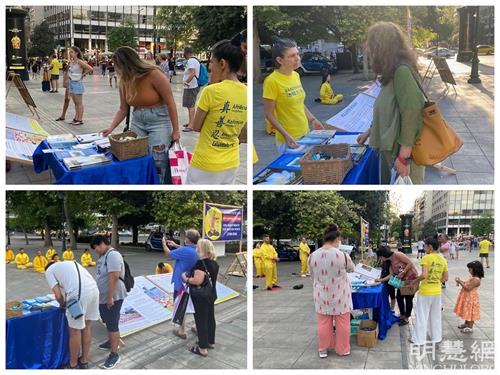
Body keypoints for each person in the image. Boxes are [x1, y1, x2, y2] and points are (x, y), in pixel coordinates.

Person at [357, 22, 426, 184]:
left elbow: (412, 114)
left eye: (372, 45)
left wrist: (403, 158)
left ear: (382, 48)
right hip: (392, 151)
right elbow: (390, 110)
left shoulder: (402, 71)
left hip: (403, 156)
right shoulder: (392, 72)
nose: (369, 50)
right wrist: (369, 132)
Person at [101, 46, 180, 182]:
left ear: (128, 64)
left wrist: (176, 131)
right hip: (138, 121)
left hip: (159, 121)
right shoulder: (124, 81)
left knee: (158, 160)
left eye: (118, 66)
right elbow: (123, 108)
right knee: (136, 156)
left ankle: (158, 185)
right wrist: (111, 127)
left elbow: (170, 103)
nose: (117, 70)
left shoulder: (154, 74)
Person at [185, 40, 247, 185]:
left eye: (212, 62)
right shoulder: (246, 91)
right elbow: (242, 132)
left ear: (222, 64)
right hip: (231, 163)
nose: (209, 66)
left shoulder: (211, 91)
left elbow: (196, 126)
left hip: (205, 164)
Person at [263, 37, 324, 154]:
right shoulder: (271, 81)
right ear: (280, 60)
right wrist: (285, 134)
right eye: (291, 56)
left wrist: (312, 119)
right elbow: (269, 114)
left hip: (305, 133)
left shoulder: (295, 75)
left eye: (297, 54)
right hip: (289, 139)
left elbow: (299, 103)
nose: (297, 58)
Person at [309, 224, 354, 358]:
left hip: (321, 294)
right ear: (337, 239)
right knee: (342, 323)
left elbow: (311, 274)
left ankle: (323, 349)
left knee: (323, 322)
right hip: (340, 294)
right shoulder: (343, 255)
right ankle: (343, 349)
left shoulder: (312, 256)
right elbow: (351, 269)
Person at [45, 260, 99, 369]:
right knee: (87, 327)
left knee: (75, 331)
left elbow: (58, 295)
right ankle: (84, 361)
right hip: (94, 291)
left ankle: (73, 364)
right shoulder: (68, 264)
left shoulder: (49, 271)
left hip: (79, 295)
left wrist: (62, 304)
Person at [91, 235, 128, 369]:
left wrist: (110, 297)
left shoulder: (113, 255)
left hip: (113, 296)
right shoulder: (104, 256)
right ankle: (111, 341)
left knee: (112, 324)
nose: (96, 251)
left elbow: (114, 277)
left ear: (102, 244)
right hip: (104, 296)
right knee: (107, 320)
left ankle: (114, 354)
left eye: (96, 248)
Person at [182, 239, 219, 357]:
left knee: (201, 320)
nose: (196, 249)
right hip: (211, 294)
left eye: (198, 247)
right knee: (210, 318)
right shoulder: (214, 263)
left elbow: (197, 280)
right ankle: (210, 341)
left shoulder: (200, 264)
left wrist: (186, 278)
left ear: (201, 249)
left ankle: (202, 348)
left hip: (201, 296)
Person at [161, 229, 200, 339]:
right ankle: (197, 326)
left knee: (181, 306)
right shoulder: (198, 249)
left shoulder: (185, 251)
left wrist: (164, 244)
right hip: (195, 281)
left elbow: (168, 255)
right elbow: (187, 250)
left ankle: (182, 330)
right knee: (195, 306)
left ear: (187, 239)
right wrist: (175, 245)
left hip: (182, 284)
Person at [410, 236, 449, 345]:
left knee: (422, 315)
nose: (424, 249)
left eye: (425, 247)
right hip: (437, 292)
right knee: (435, 316)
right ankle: (436, 338)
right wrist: (436, 280)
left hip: (426, 292)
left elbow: (424, 275)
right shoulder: (443, 259)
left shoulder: (426, 258)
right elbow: (445, 278)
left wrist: (415, 281)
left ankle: (418, 340)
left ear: (430, 247)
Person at [375, 246, 418, 325]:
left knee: (408, 299)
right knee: (399, 297)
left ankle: (406, 317)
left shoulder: (397, 255)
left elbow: (410, 263)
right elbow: (391, 275)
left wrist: (403, 272)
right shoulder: (389, 262)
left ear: (383, 255)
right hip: (402, 282)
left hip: (411, 280)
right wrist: (380, 280)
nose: (380, 259)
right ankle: (402, 315)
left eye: (380, 257)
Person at [454, 260, 483, 333]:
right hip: (468, 297)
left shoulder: (476, 279)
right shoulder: (472, 277)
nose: (469, 270)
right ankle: (466, 324)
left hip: (471, 298)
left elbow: (468, 288)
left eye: (470, 269)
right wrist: (460, 281)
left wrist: (460, 282)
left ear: (475, 270)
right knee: (467, 310)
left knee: (470, 311)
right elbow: (467, 284)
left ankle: (470, 327)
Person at [68, 46, 93, 125]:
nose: (70, 53)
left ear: (76, 53)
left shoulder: (79, 61)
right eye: (70, 52)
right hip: (72, 82)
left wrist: (82, 75)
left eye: (72, 52)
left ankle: (80, 119)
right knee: (75, 103)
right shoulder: (72, 62)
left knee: (79, 103)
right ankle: (76, 118)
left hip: (77, 82)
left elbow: (90, 68)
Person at [181, 46, 201, 132]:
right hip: (192, 86)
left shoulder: (191, 61)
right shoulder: (194, 60)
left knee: (190, 106)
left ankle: (191, 125)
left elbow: (193, 72)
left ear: (186, 52)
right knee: (190, 105)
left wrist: (186, 82)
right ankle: (191, 122)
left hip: (191, 86)